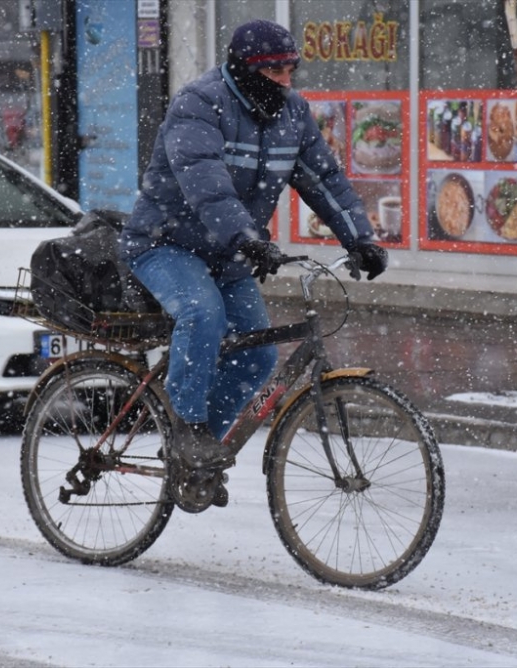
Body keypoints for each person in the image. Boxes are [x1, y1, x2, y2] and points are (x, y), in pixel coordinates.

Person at [120, 20, 387, 495]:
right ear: (243, 69)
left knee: (259, 355)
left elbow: (324, 179)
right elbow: (204, 180)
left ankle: (203, 455)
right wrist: (245, 235)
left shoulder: (293, 114)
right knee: (202, 312)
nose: (285, 80)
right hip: (165, 244)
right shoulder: (199, 104)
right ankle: (187, 427)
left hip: (229, 253)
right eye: (274, 70)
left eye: (290, 69)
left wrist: (360, 238)